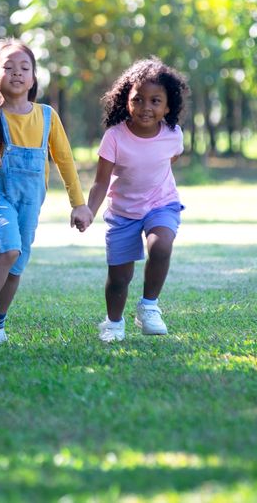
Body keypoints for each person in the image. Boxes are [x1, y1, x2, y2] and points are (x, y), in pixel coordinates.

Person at [0, 39, 93, 345]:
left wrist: (79, 204)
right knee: (9, 249)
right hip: (1, 195)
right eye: (8, 67)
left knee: (17, 264)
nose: (17, 73)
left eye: (25, 67)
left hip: (31, 200)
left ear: (34, 77)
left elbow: (65, 160)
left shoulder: (47, 115)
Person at [83, 57, 190, 343]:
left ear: (168, 106)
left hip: (162, 204)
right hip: (123, 213)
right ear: (125, 101)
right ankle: (114, 322)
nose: (146, 107)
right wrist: (88, 211)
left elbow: (168, 160)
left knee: (161, 244)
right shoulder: (114, 138)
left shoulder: (173, 135)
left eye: (155, 101)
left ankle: (149, 306)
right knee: (119, 277)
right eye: (138, 99)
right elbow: (100, 182)